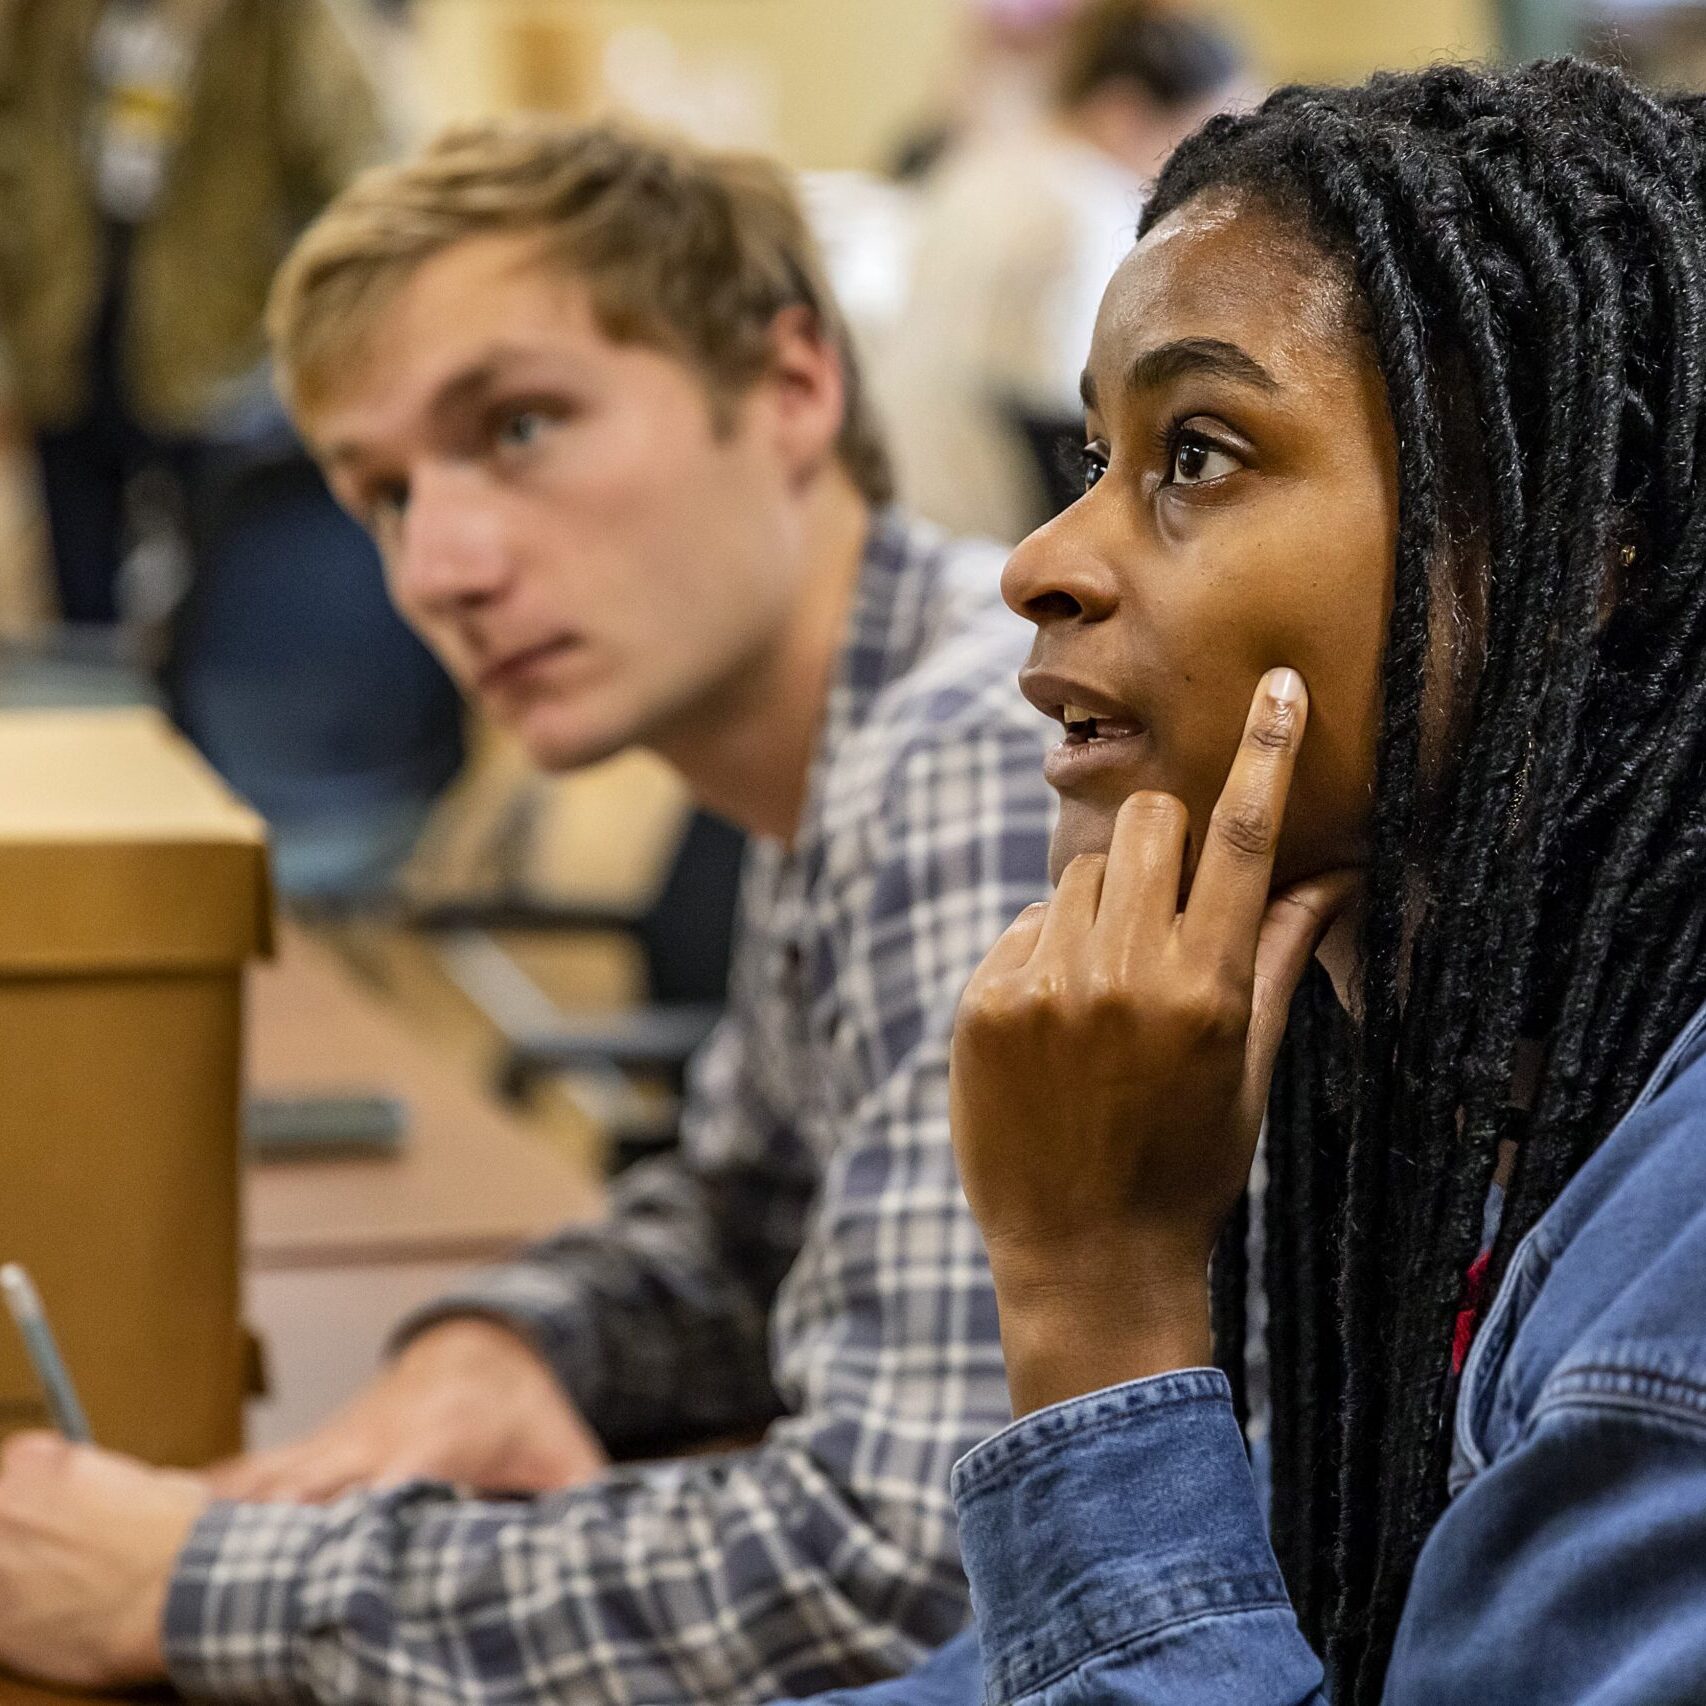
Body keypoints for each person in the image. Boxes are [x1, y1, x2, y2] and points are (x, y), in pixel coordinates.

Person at [0, 123, 1056, 1699]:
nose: (441, 563)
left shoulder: (976, 744)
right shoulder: (840, 748)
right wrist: (502, 1342)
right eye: (381, 492)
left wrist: (195, 1580)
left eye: (517, 426)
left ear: (789, 387)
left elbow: (914, 1562)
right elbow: (746, 1224)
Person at [787, 54, 1706, 1706]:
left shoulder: (1677, 1300)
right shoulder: (1479, 1110)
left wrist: (1102, 1299)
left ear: (1571, 561)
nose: (1040, 562)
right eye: (1092, 456)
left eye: (1196, 456)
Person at [0, 0, 386, 625]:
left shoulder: (282, 23)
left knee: (222, 583)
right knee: (82, 589)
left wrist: (307, 329)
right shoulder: (46, 17)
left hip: (219, 347)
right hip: (70, 328)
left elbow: (354, 171)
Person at [876, 0, 1246, 544]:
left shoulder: (973, 168)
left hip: (909, 499)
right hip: (996, 527)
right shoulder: (1088, 207)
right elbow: (1072, 429)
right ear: (1124, 111)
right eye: (1194, 138)